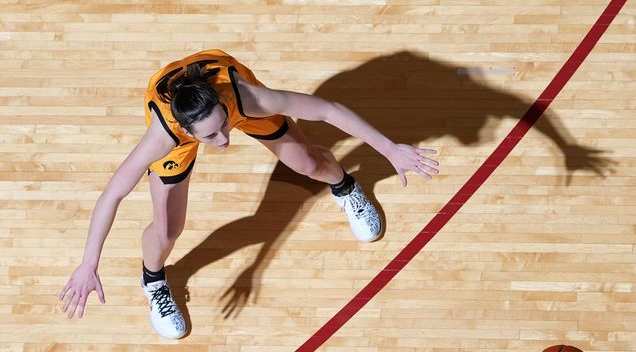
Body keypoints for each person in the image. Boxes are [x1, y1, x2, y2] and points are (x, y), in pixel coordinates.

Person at [58, 49, 439, 339]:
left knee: (305, 163)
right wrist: (89, 264)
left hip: (228, 92)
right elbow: (111, 196)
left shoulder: (244, 98)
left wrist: (389, 149)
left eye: (224, 129)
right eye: (212, 136)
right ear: (189, 134)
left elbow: (325, 109)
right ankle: (153, 280)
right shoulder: (163, 137)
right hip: (184, 118)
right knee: (167, 229)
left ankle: (345, 186)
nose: (224, 141)